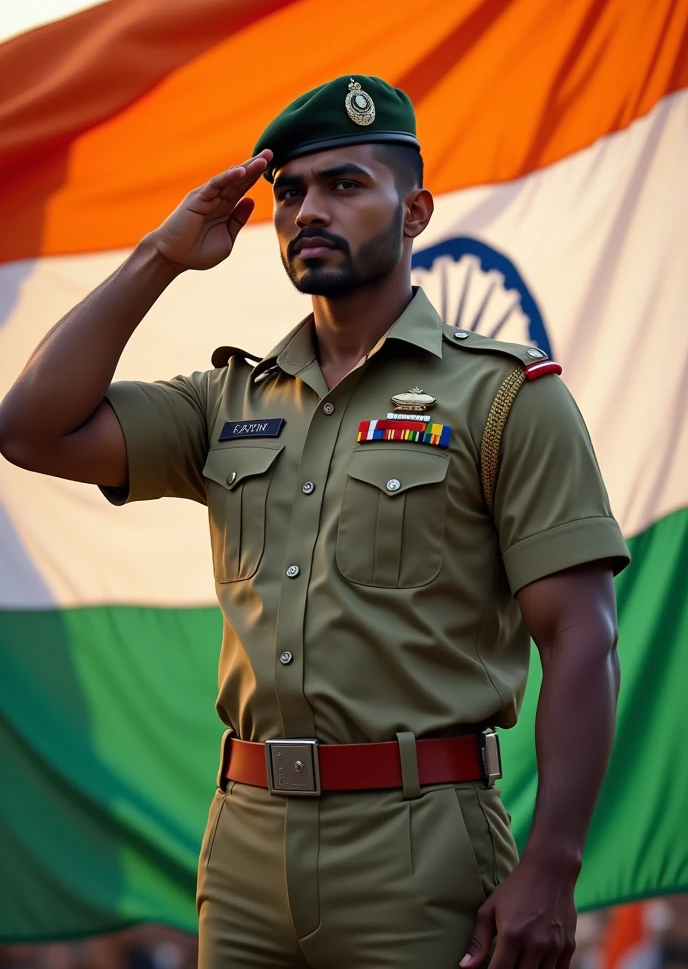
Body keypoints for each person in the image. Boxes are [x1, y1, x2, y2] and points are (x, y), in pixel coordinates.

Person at [0, 75, 630, 969]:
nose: (306, 212)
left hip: (423, 849)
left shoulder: (504, 396)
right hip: (247, 846)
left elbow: (582, 637)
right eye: (289, 193)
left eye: (343, 186)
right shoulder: (228, 399)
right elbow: (30, 428)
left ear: (413, 212)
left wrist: (554, 868)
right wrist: (162, 255)